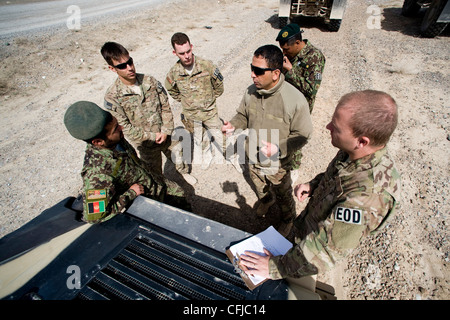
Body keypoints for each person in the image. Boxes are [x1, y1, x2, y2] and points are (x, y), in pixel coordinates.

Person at [238, 90, 401, 285]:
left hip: (312, 250)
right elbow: (338, 175)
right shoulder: (357, 152)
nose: (328, 126)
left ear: (362, 141)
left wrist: (275, 267)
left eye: (337, 127)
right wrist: (314, 185)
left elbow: (325, 250)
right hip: (306, 228)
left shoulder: (366, 197)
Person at [221, 44, 313, 236]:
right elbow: (242, 115)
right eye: (251, 69)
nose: (252, 75)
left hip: (277, 163)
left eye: (258, 71)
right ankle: (265, 200)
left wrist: (278, 149)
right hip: (253, 155)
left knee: (283, 195)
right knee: (259, 185)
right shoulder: (250, 92)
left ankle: (288, 219)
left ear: (275, 73)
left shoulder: (294, 100)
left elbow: (302, 135)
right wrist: (234, 125)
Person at [64, 101, 191, 223]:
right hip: (146, 200)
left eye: (117, 124)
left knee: (179, 195)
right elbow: (95, 217)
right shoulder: (97, 174)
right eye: (115, 129)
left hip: (155, 183)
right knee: (169, 222)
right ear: (98, 142)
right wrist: (130, 194)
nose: (121, 127)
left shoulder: (114, 140)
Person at [101, 42, 197, 185]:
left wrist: (165, 130)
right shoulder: (113, 97)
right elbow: (125, 127)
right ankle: (162, 186)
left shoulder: (149, 81)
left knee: (178, 155)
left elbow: (165, 105)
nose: (129, 68)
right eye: (122, 66)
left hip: (166, 134)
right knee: (154, 171)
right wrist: (152, 136)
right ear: (112, 68)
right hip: (145, 144)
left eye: (130, 62)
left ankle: (183, 173)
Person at [165, 32, 238, 171]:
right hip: (192, 116)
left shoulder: (206, 66)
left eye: (188, 51)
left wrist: (209, 100)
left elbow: (219, 85)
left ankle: (232, 156)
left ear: (192, 47)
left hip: (209, 113)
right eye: (182, 53)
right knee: (201, 139)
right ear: (175, 53)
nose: (186, 56)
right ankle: (207, 155)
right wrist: (186, 101)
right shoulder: (174, 73)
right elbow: (171, 89)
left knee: (220, 138)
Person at [276, 23, 326, 184]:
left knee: (295, 135)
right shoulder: (289, 55)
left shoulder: (315, 57)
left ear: (298, 43)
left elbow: (311, 89)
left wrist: (290, 70)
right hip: (284, 103)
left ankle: (294, 167)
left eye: (286, 49)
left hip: (300, 107)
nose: (284, 53)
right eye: (282, 49)